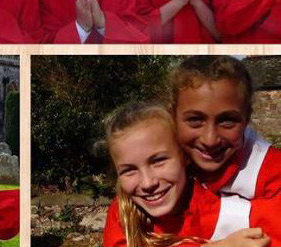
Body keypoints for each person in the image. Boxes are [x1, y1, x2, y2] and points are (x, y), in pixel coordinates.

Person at [101, 102, 278, 247]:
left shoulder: (227, 210)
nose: (148, 183)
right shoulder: (123, 214)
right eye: (129, 170)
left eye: (158, 161)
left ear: (184, 156)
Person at [170, 56, 281, 201]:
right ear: (172, 115)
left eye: (227, 121)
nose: (210, 140)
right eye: (195, 120)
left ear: (246, 118)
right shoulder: (155, 164)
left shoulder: (273, 173)